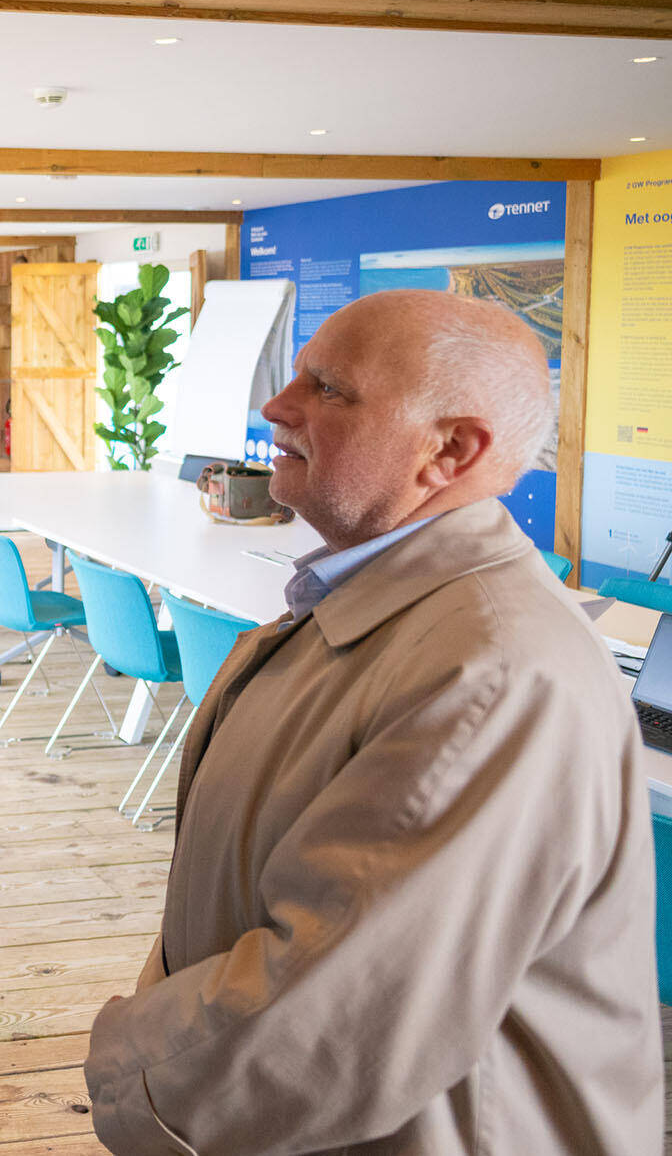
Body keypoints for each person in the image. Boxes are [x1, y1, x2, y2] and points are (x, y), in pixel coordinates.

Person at [85, 290, 663, 1154]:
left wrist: (124, 1061)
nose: (276, 406)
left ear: (451, 449)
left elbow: (331, 1016)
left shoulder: (491, 673)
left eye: (328, 388)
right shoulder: (378, 609)